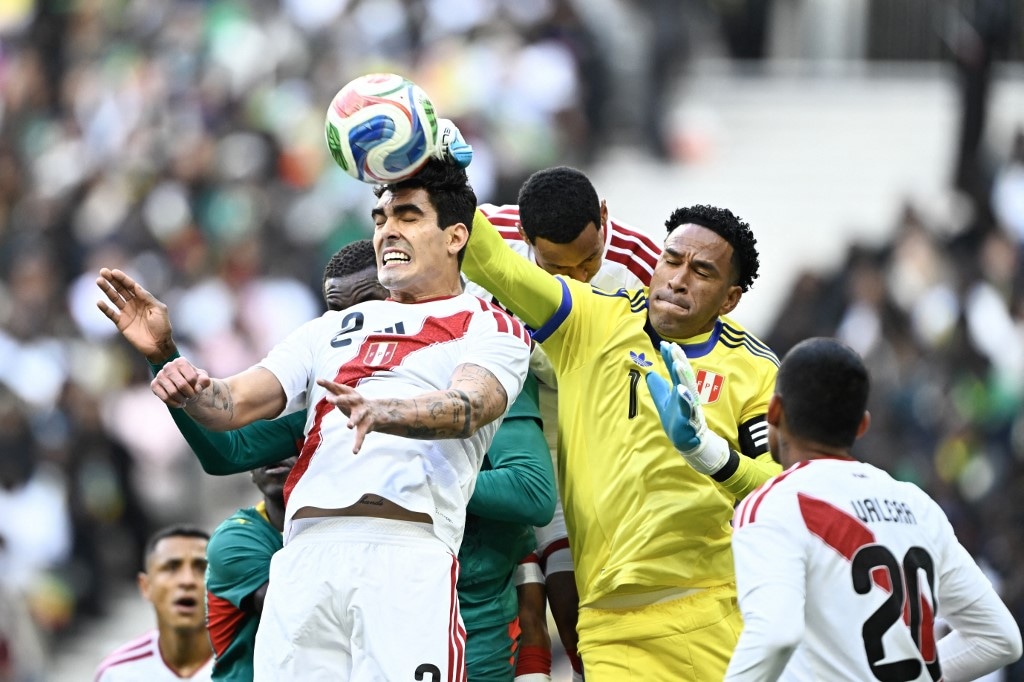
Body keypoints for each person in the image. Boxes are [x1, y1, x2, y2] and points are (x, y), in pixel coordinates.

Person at [98, 158, 532, 680]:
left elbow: (470, 407)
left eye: (408, 216)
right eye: (380, 218)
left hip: (404, 553)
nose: (387, 230)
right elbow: (231, 403)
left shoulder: (493, 327)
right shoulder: (328, 328)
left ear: (457, 235)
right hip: (304, 557)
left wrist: (386, 410)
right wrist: (169, 357)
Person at [464, 203, 782, 681]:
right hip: (612, 628)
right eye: (672, 260)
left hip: (714, 609)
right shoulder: (589, 319)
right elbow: (493, 262)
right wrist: (440, 172)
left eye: (701, 272)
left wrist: (709, 454)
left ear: (729, 299)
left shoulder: (756, 369)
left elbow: (782, 491)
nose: (678, 280)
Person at [722, 337, 1023, 681]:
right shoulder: (916, 504)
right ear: (861, 426)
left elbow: (774, 635)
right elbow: (999, 638)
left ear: (773, 411)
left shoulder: (770, 505)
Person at [471, 165, 662, 679]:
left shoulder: (645, 263)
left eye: (590, 260)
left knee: (583, 582)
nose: (578, 279)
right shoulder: (486, 236)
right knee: (548, 587)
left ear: (604, 218)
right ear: (525, 240)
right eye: (558, 268)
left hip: (601, 407)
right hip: (518, 399)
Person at [94, 525, 213, 681]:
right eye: (172, 567)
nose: (187, 580)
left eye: (202, 568)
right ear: (145, 586)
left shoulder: (251, 665)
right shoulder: (116, 673)